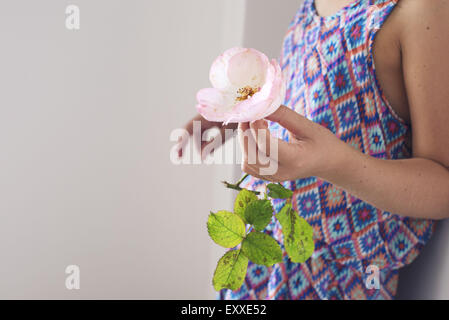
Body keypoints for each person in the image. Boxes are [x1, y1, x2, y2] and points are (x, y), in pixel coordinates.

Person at [180, 0, 449, 299]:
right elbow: (310, 89)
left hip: (333, 280)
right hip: (263, 254)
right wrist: (240, 108)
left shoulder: (422, 11)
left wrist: (333, 164)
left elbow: (442, 186)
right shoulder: (314, 4)